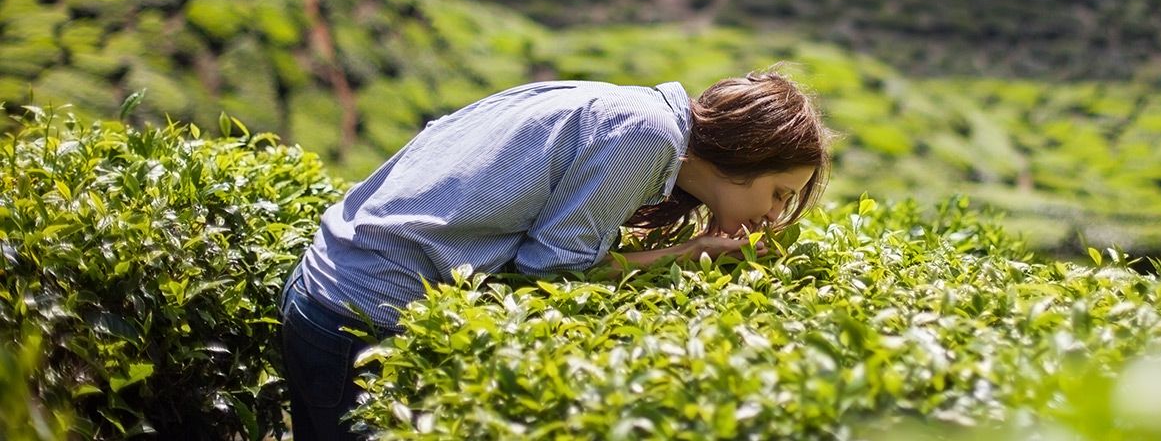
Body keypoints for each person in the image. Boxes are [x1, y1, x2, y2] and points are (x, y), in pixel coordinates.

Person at [277, 67, 833, 439]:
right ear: (745, 154)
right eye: (779, 193)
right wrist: (686, 253)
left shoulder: (640, 114)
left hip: (330, 287)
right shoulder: (649, 137)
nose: (773, 214)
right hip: (358, 312)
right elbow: (552, 272)